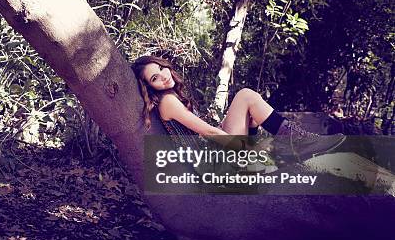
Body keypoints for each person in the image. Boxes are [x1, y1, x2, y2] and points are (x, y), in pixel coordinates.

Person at [131, 55, 345, 161]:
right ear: (149, 86)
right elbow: (208, 132)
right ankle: (302, 142)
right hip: (210, 161)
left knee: (249, 109)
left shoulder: (171, 96)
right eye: (155, 78)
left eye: (160, 68)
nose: (163, 76)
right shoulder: (168, 102)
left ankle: (298, 141)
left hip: (210, 152)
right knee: (245, 96)